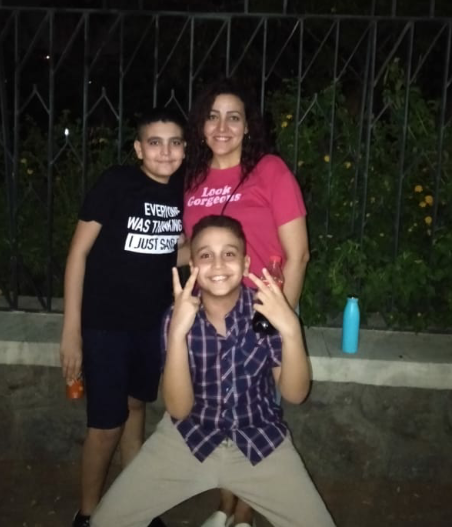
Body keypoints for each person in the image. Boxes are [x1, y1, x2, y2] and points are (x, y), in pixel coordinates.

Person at [90, 215, 335, 527]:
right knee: (106, 521)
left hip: (260, 441)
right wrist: (177, 334)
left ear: (246, 264)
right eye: (205, 255)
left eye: (229, 253)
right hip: (188, 439)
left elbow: (295, 394)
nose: (218, 264)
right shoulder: (177, 316)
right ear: (193, 265)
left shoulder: (266, 312)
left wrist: (291, 329)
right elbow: (179, 409)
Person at [183, 77, 310, 527]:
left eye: (233, 117)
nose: (222, 127)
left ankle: (242, 514)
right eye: (213, 116)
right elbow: (189, 246)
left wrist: (276, 318)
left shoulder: (270, 171)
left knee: (259, 415)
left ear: (248, 126)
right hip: (214, 313)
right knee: (220, 410)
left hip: (262, 310)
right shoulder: (194, 180)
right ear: (201, 126)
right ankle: (225, 504)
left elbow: (298, 254)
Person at [60, 107, 187, 527]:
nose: (165, 151)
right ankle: (87, 514)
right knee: (106, 425)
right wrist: (71, 330)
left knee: (136, 410)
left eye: (174, 142)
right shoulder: (116, 183)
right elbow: (78, 253)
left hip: (151, 326)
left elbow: (172, 250)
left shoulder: (181, 190)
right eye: (155, 142)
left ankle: (135, 508)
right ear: (138, 148)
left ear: (184, 148)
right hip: (105, 325)